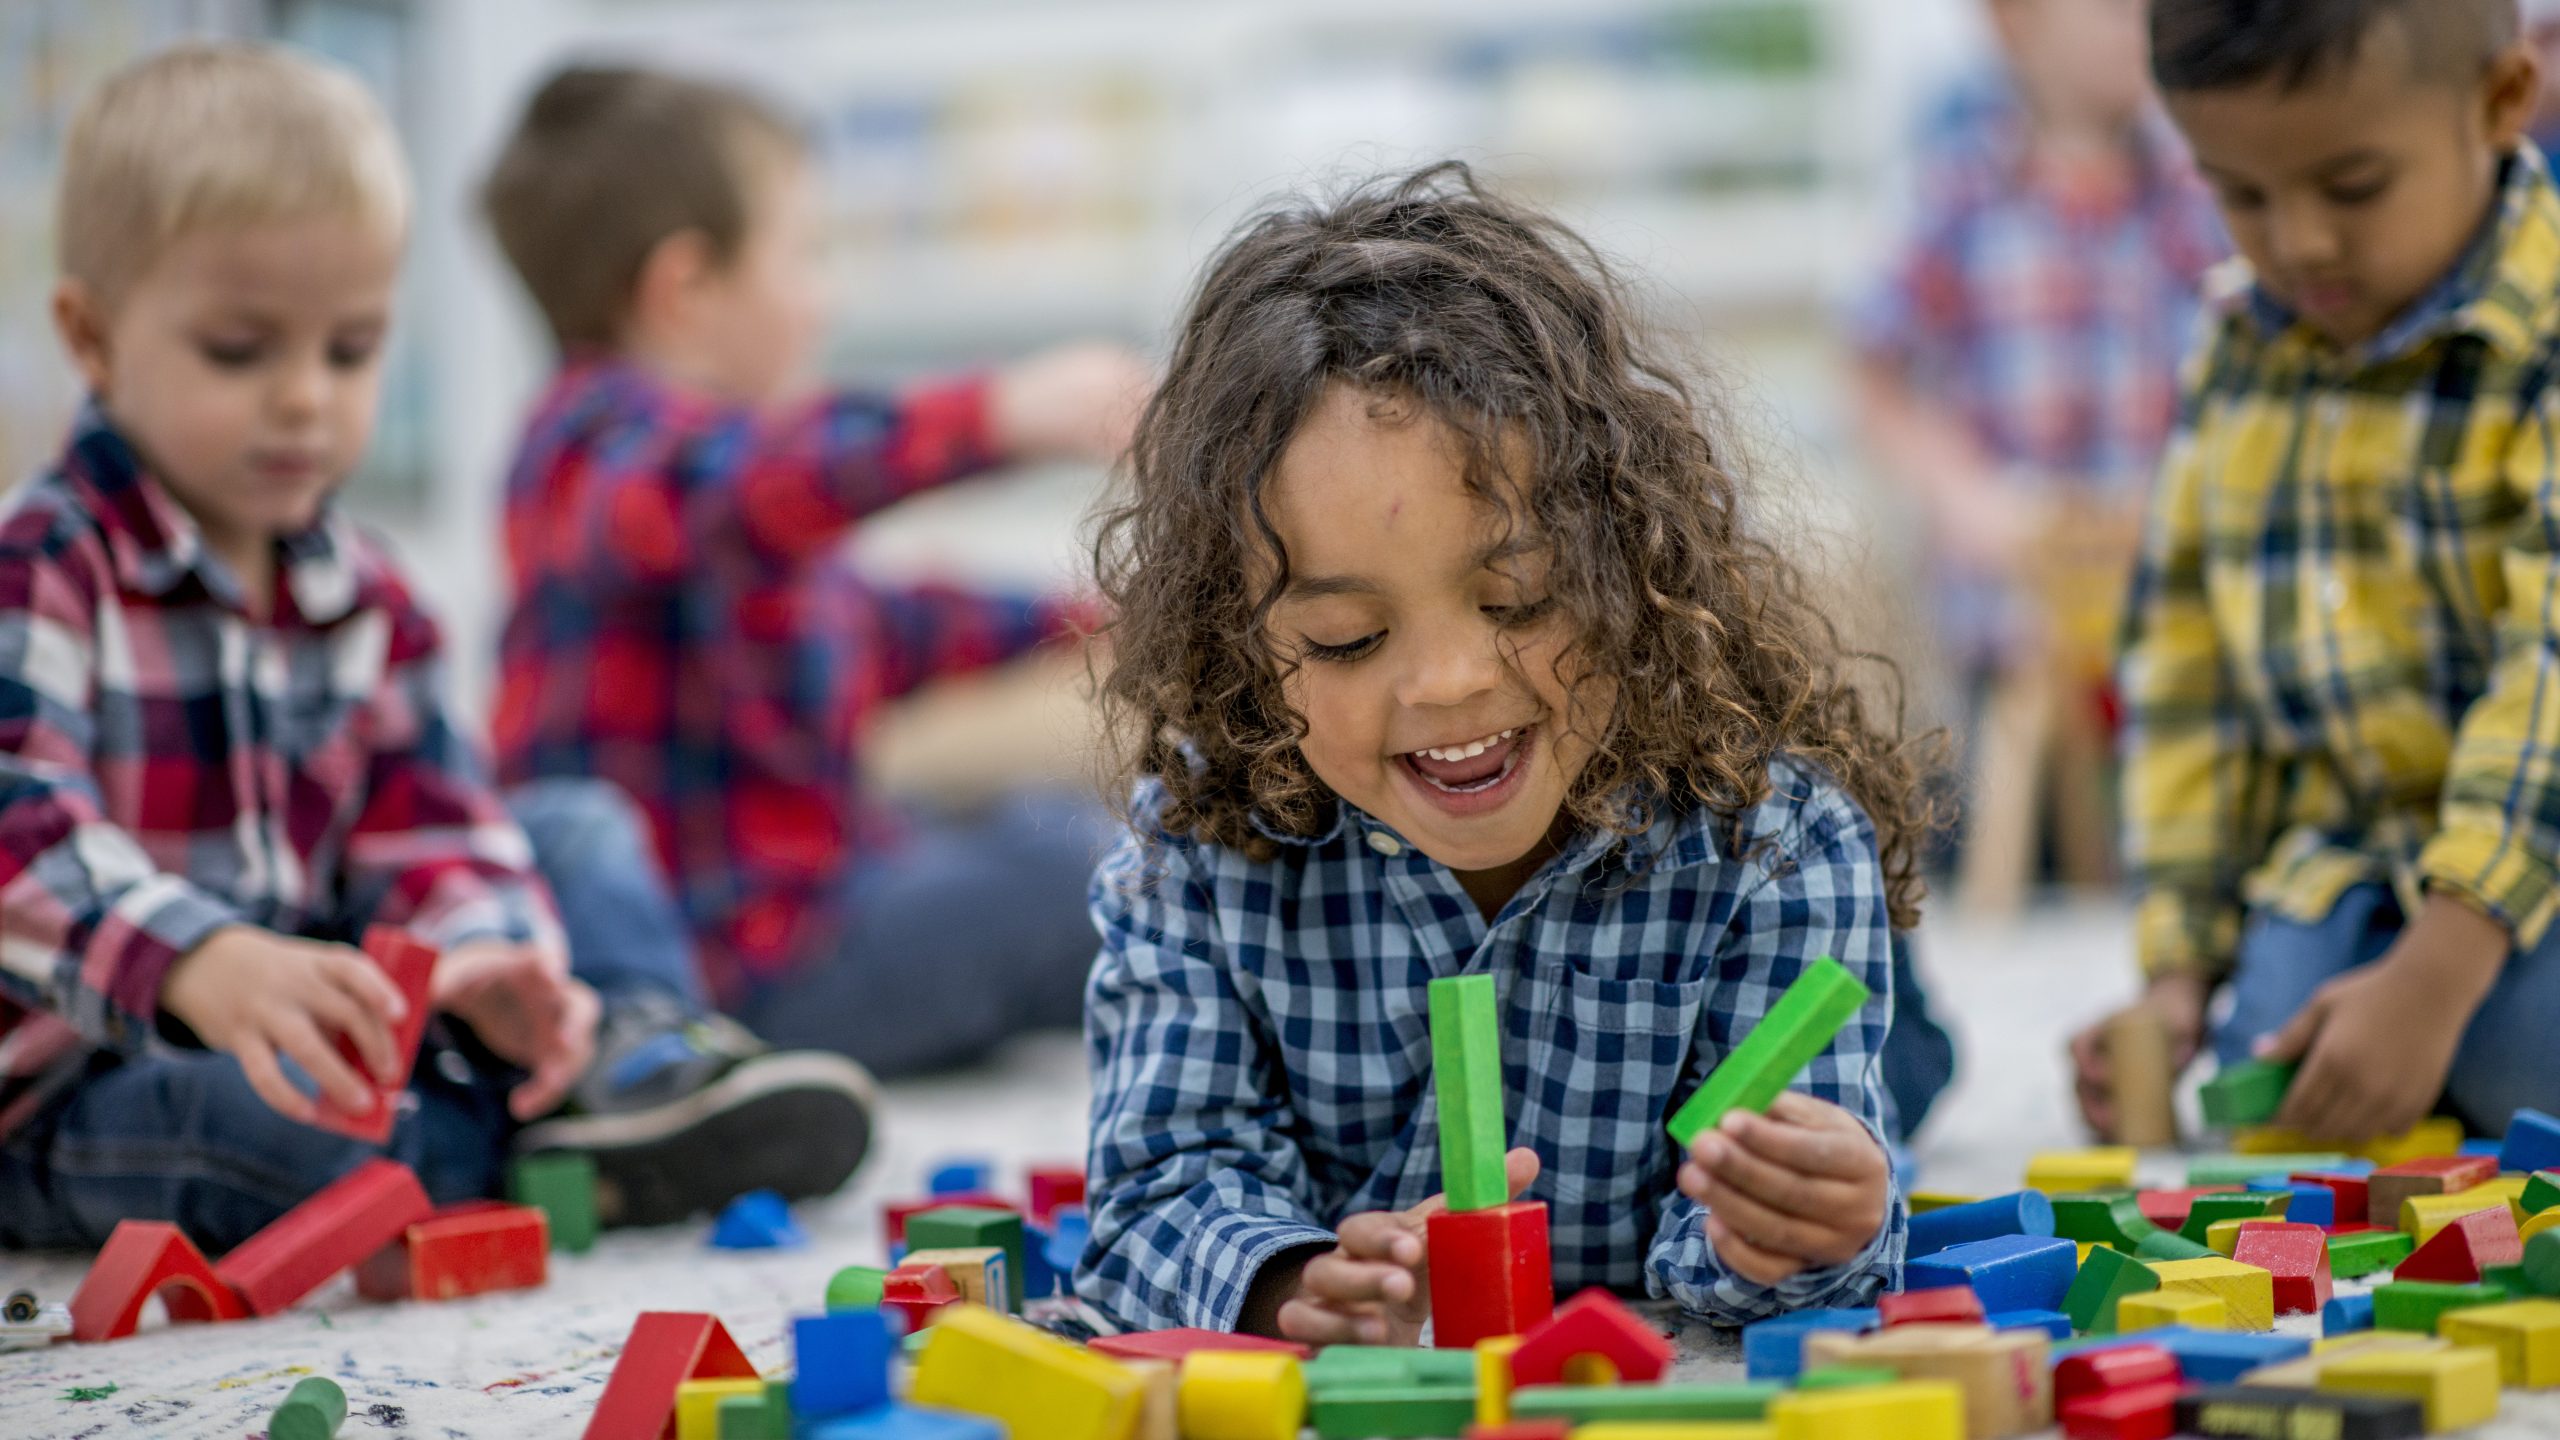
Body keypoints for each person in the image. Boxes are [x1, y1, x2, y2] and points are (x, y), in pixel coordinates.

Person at [0, 44, 868, 1253]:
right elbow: (16, 824)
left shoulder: (366, 590)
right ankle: (520, 1143)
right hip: (79, 1081)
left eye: (349, 352)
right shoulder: (47, 560)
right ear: (93, 340)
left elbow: (431, 816)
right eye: (240, 353)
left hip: (326, 1010)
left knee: (572, 827)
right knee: (293, 1135)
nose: (305, 398)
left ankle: (626, 1061)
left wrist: (483, 952)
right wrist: (202, 962)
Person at [1075, 164, 1930, 1340]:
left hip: (1747, 884)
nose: (1449, 680)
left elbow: (1776, 1275)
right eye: (1348, 636)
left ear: (1627, 560)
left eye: (1520, 598)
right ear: (1240, 641)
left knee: (1900, 1080)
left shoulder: (1774, 843)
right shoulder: (1197, 841)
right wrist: (1286, 1284)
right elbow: (1157, 1190)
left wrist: (1804, 1226)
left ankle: (1919, 1040)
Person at [481, 67, 1149, 1077]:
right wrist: (998, 414)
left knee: (1043, 826)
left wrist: (1094, 619)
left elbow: (876, 624)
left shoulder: (708, 502)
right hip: (737, 973)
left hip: (817, 906)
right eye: (804, 256)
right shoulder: (596, 454)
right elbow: (760, 478)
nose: (822, 297)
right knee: (1080, 868)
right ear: (685, 288)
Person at [2074, 0, 2560, 1144]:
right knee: (2267, 1087)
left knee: (2518, 1062)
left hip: (2531, 854)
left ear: (2497, 105)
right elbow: (2186, 680)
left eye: (2352, 188)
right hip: (2344, 862)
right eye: (2239, 194)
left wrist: (2439, 972)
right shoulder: (2235, 346)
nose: (2299, 244)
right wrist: (2174, 979)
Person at [1853, 0, 2225, 906]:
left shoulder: (2192, 188)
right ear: (2014, 23)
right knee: (2020, 829)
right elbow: (1873, 365)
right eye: (2112, 11)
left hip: (2173, 591)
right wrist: (1963, 494)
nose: (2141, 27)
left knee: (2181, 827)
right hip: (2020, 603)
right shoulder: (1961, 188)